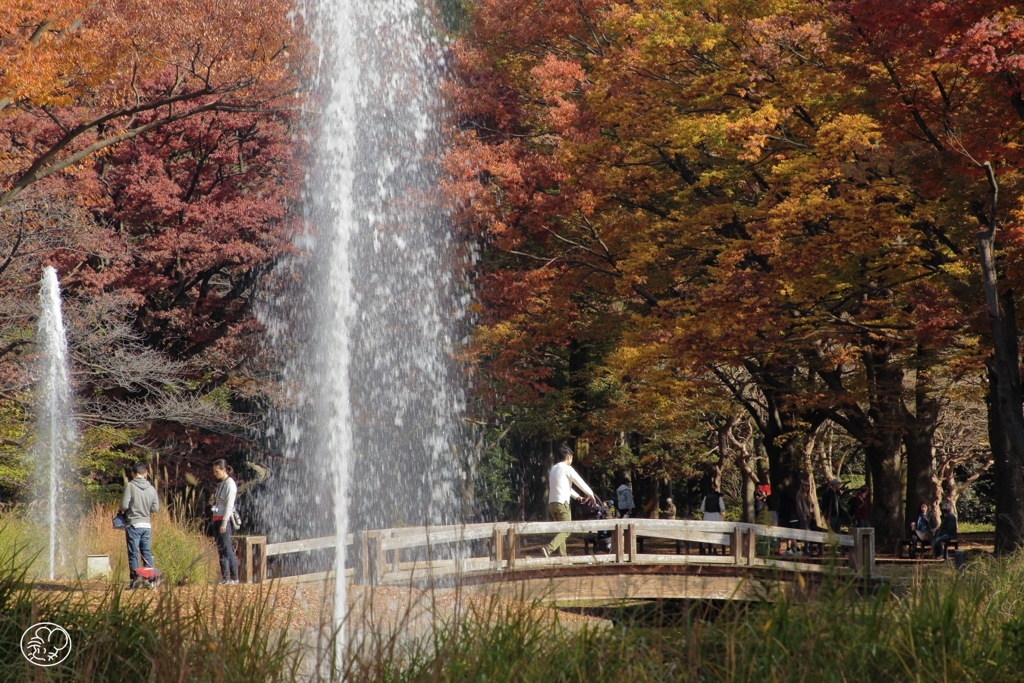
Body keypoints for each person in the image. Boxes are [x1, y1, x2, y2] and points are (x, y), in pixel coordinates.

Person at [542, 445, 596, 557]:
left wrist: (578, 497)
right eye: (571, 458)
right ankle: (548, 549)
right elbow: (579, 482)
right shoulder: (567, 468)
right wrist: (590, 493)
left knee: (561, 530)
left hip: (552, 503)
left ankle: (563, 556)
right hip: (562, 504)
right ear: (568, 457)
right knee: (567, 530)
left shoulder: (554, 469)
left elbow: (565, 487)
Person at [120, 461, 159, 589]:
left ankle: (135, 581)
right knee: (146, 552)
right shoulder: (152, 488)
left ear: (133, 473)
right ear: (145, 473)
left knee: (133, 553)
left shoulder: (130, 486)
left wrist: (125, 510)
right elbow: (155, 508)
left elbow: (124, 505)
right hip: (146, 525)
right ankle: (151, 580)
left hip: (133, 524)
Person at [210, 459, 239, 584]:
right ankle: (225, 577)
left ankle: (234, 577)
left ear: (224, 470)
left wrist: (224, 523)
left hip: (224, 520)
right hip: (217, 518)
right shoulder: (221, 484)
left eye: (217, 471)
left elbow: (229, 505)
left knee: (227, 549)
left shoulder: (230, 484)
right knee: (220, 549)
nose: (215, 474)